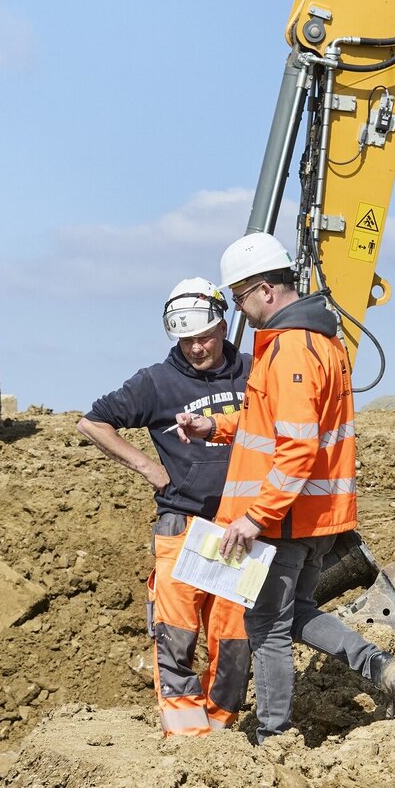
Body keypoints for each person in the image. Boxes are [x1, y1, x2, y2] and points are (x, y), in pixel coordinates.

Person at [175, 232, 395, 740]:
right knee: (296, 614)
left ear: (266, 290)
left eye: (240, 296)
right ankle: (380, 667)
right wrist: (215, 426)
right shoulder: (322, 342)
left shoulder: (290, 350)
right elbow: (271, 423)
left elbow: (296, 447)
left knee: (266, 626)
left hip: (285, 520)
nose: (239, 309)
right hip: (315, 519)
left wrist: (256, 517)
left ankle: (273, 736)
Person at [75, 278, 252, 737]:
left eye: (204, 337)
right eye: (186, 340)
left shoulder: (255, 372)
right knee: (177, 635)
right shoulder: (157, 381)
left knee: (235, 641)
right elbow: (93, 423)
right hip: (183, 523)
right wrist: (150, 469)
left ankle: (220, 734)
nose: (196, 348)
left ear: (223, 326)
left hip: (242, 527)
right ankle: (186, 737)